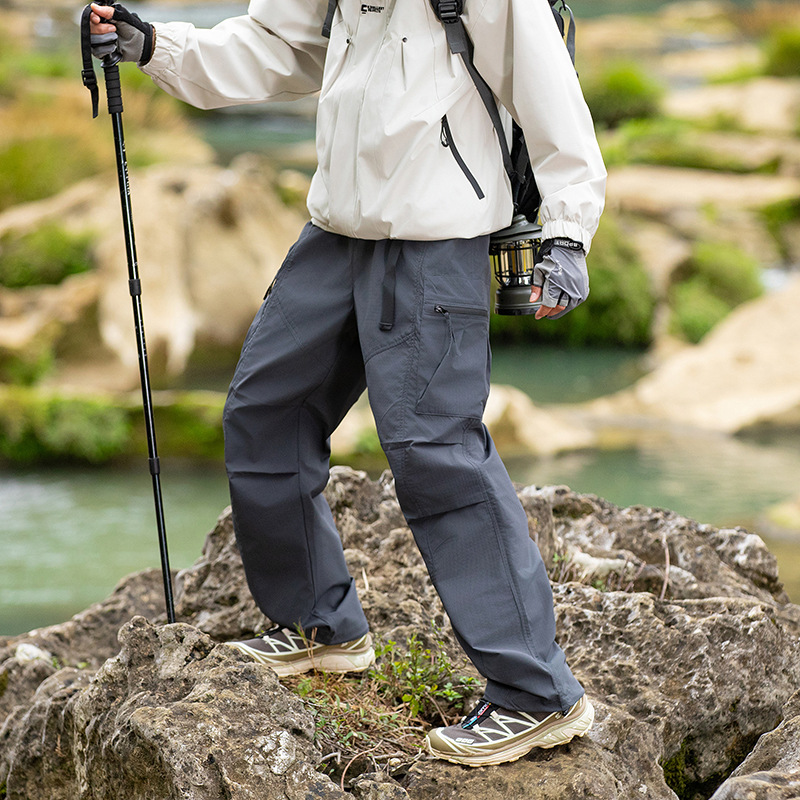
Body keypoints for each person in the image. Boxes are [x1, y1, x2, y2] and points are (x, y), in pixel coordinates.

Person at [90, 0, 606, 767]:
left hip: (438, 242)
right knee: (264, 412)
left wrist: (567, 232)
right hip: (335, 234)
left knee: (436, 455)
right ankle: (318, 627)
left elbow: (549, 92)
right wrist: (155, 45)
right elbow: (274, 46)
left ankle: (538, 695)